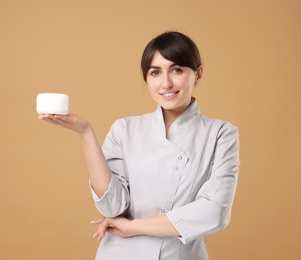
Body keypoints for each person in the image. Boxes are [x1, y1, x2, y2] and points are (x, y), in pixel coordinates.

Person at [39, 31, 240, 260]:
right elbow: (112, 207)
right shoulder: (125, 129)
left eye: (176, 70)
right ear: (146, 78)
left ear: (198, 73)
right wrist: (85, 133)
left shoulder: (221, 134)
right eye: (155, 72)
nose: (166, 83)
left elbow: (214, 213)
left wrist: (133, 227)